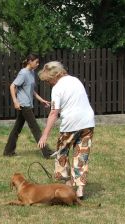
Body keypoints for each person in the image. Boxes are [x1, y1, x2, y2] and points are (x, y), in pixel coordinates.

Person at [37, 61, 95, 199]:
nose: (49, 83)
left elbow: (53, 113)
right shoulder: (75, 80)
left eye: (49, 80)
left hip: (71, 124)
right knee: (81, 155)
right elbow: (76, 101)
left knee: (61, 153)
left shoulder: (57, 88)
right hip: (88, 122)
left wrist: (44, 135)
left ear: (55, 75)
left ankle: (66, 184)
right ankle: (80, 190)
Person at [3, 54, 54, 158]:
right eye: (36, 62)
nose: (38, 64)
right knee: (35, 128)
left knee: (16, 129)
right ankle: (47, 153)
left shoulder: (31, 72)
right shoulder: (23, 73)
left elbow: (31, 91)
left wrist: (42, 100)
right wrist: (15, 101)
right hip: (23, 104)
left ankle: (8, 151)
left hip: (27, 104)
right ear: (30, 61)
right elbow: (12, 86)